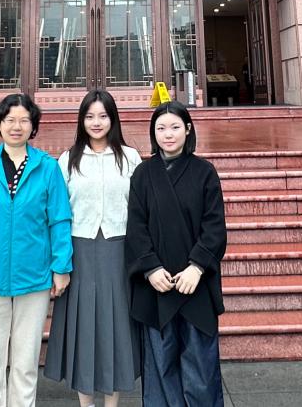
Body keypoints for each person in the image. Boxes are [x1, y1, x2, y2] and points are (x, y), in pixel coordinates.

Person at [0, 93, 74, 407]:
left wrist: (61, 267)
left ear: (33, 127)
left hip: (34, 277)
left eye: (24, 120)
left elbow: (59, 219)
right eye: (9, 119)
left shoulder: (47, 168)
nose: (16, 126)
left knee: (25, 365)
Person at [44, 89, 143, 406]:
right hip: (80, 250)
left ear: (113, 119)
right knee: (83, 327)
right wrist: (59, 263)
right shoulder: (68, 159)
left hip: (119, 249)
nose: (96, 122)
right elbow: (58, 211)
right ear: (81, 120)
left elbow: (140, 208)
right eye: (89, 116)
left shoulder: (130, 158)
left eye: (102, 116)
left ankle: (112, 404)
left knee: (117, 327)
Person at [126, 101, 227, 407]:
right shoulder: (143, 174)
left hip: (195, 285)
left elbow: (214, 226)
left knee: (201, 371)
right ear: (153, 133)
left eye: (174, 127)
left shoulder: (204, 172)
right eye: (161, 128)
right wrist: (150, 268)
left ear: (188, 129)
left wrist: (197, 267)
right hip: (158, 285)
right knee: (160, 368)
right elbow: (136, 227)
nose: (168, 134)